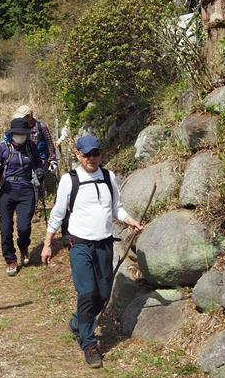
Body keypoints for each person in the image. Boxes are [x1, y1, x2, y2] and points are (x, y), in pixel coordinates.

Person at [40, 135, 143, 369]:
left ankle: (79, 321)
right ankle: (88, 343)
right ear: (78, 154)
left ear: (100, 154)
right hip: (79, 244)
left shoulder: (108, 177)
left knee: (103, 294)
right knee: (87, 293)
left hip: (104, 244)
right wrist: (47, 244)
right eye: (86, 154)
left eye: (95, 153)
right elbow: (57, 214)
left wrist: (131, 221)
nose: (91, 158)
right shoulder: (69, 180)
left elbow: (116, 208)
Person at [0, 117, 43, 276]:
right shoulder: (3, 148)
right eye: (18, 134)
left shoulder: (31, 147)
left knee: (24, 227)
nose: (20, 136)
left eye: (23, 134)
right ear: (12, 134)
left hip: (26, 190)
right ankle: (10, 259)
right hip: (6, 191)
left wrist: (39, 172)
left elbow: (38, 164)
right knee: (6, 228)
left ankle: (23, 246)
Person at [5, 105, 58, 222]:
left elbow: (49, 143)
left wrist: (52, 160)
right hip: (23, 161)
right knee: (27, 184)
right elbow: (8, 141)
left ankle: (33, 210)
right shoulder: (19, 127)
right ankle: (27, 208)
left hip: (39, 161)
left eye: (23, 117)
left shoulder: (41, 126)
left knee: (35, 185)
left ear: (29, 116)